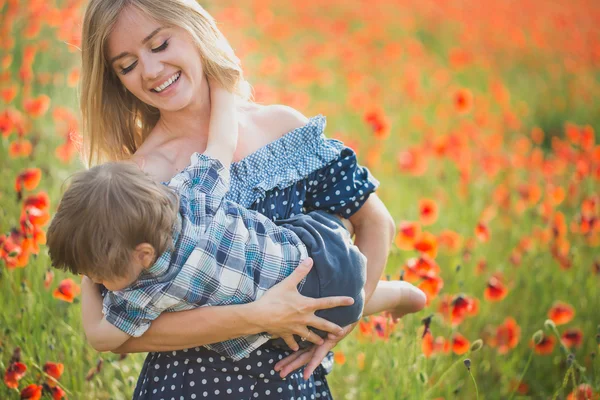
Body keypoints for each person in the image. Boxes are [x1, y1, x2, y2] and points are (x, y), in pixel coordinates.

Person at [77, 0, 426, 398]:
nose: (152, 70)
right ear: (115, 79)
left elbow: (374, 221)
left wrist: (343, 320)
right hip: (191, 386)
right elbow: (122, 330)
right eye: (127, 65)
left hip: (293, 381)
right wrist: (255, 317)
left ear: (193, 29)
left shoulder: (281, 127)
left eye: (159, 45)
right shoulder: (138, 181)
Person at [47, 84, 423, 361]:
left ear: (143, 254)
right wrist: (222, 83)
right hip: (309, 242)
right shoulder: (194, 198)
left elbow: (100, 336)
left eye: (101, 276)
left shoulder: (144, 293)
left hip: (306, 298)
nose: (101, 283)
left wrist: (90, 272)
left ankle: (402, 295)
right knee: (351, 282)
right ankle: (406, 294)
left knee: (350, 299)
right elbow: (222, 140)